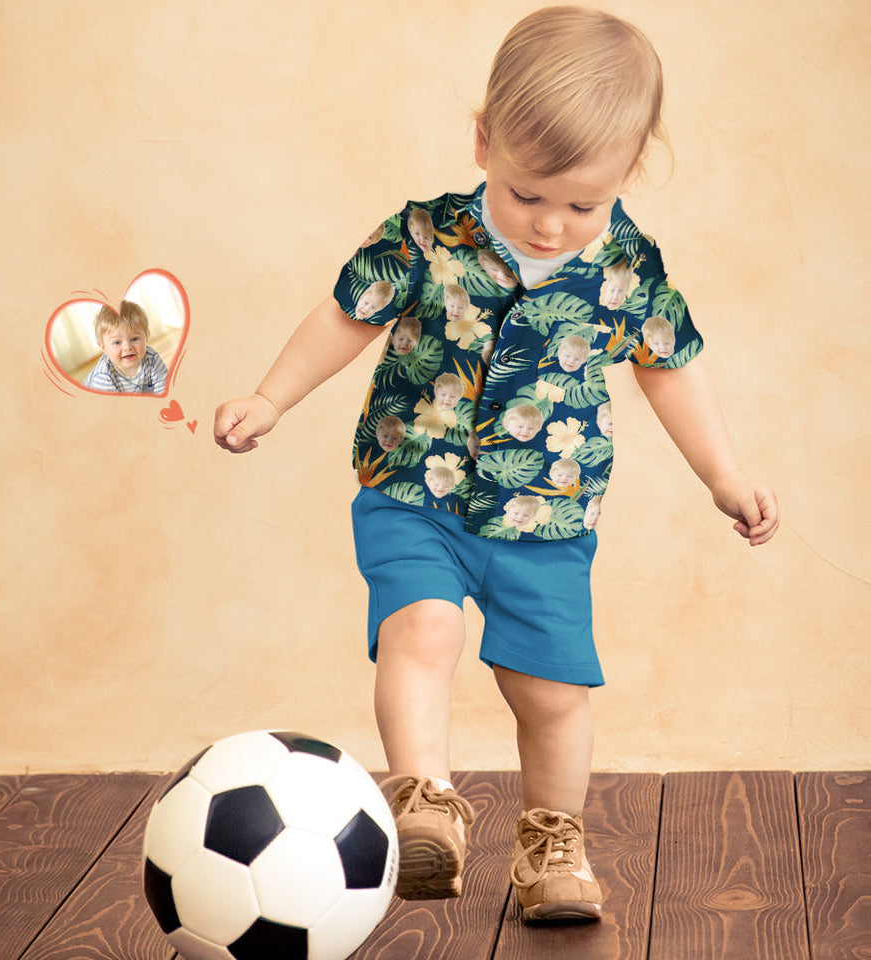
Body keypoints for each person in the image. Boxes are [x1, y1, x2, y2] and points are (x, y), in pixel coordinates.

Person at [214, 5, 779, 924]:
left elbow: (670, 370)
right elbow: (344, 317)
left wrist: (723, 474)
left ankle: (552, 841)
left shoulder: (629, 270)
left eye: (581, 206)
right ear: (483, 143)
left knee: (551, 694)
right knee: (421, 631)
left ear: (627, 177)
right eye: (528, 196)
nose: (552, 225)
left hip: (545, 519)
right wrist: (271, 398)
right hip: (413, 493)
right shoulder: (423, 237)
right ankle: (424, 801)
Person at [83, 300, 168, 394]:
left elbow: (164, 389)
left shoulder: (152, 358)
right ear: (104, 348)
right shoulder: (103, 377)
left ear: (146, 336)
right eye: (117, 342)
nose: (127, 347)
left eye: (134, 339)